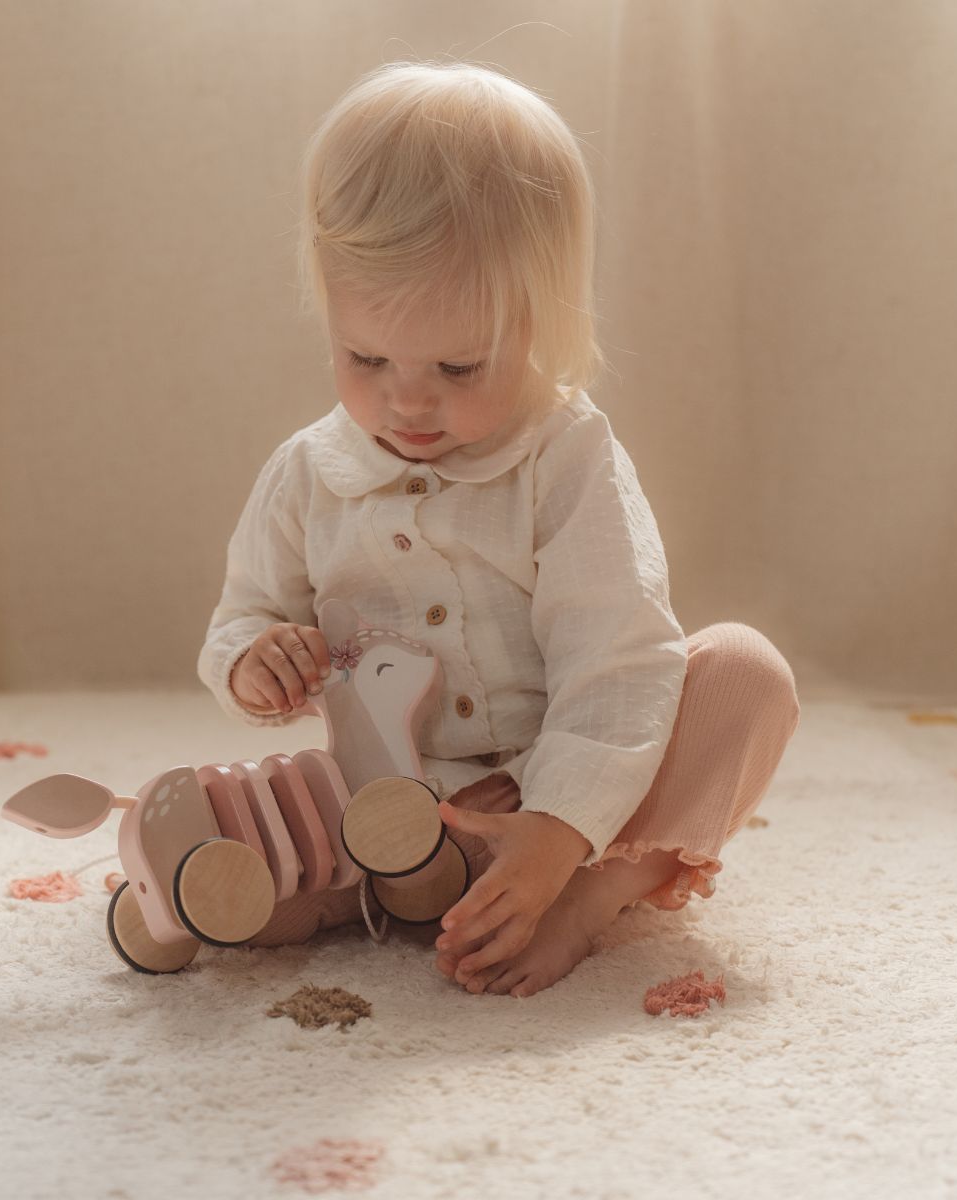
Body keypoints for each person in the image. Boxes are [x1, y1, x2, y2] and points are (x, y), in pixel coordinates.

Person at [195, 60, 800, 999]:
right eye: (366, 357)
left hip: (566, 796)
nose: (407, 399)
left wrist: (559, 827)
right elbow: (244, 614)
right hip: (395, 801)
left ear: (541, 327)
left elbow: (620, 656)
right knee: (260, 815)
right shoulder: (309, 473)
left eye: (461, 365)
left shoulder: (566, 458)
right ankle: (351, 890)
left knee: (744, 676)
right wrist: (253, 661)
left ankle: (589, 897)